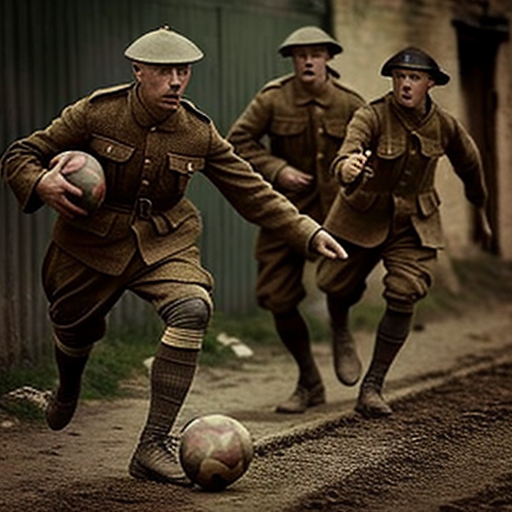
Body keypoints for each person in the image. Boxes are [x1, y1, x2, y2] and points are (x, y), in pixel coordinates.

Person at [0, 27, 347, 485]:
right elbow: (20, 154)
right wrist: (40, 181)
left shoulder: (197, 131)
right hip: (88, 245)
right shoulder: (96, 112)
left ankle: (152, 444)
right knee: (73, 329)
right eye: (165, 72)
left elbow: (250, 190)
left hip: (166, 240)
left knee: (192, 307)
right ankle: (66, 388)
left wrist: (307, 230)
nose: (177, 82)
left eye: (183, 71)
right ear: (137, 71)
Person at [316, 46, 493, 418]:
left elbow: (470, 162)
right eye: (399, 77)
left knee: (405, 290)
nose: (405, 85)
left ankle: (373, 386)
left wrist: (481, 210)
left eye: (413, 78)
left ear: (430, 83)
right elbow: (348, 152)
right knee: (335, 285)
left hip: (414, 222)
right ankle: (341, 329)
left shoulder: (444, 125)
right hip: (361, 214)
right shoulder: (372, 115)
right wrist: (348, 169)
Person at [227, 26, 365, 413]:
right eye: (300, 54)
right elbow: (237, 142)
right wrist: (277, 168)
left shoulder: (350, 104)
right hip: (286, 210)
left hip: (339, 212)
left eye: (315, 54)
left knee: (341, 283)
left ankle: (340, 328)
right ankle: (309, 381)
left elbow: (373, 151)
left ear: (328, 58)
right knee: (275, 295)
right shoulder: (272, 99)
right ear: (292, 60)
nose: (307, 61)